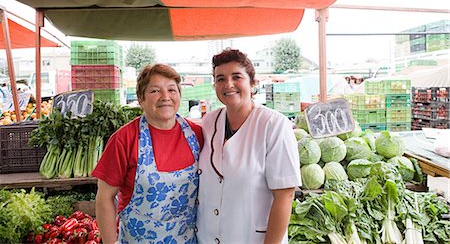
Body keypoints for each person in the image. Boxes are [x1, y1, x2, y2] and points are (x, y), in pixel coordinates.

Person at [196, 49, 301, 244]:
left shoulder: (274, 125)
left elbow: (285, 195)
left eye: (237, 77)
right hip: (208, 237)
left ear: (252, 83)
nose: (228, 84)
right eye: (220, 79)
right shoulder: (209, 122)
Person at [92, 63, 203, 244]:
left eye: (172, 90)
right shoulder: (124, 139)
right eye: (155, 91)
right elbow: (105, 198)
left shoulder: (197, 135)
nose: (165, 97)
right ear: (141, 99)